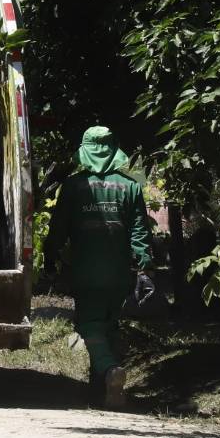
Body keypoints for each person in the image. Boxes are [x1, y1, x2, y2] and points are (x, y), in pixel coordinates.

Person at [43, 126, 152, 409]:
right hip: (118, 274)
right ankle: (100, 390)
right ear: (114, 149)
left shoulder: (74, 186)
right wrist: (144, 267)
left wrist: (49, 256)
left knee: (90, 326)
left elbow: (58, 229)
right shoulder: (130, 186)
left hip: (85, 271)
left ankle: (109, 371)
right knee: (110, 326)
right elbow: (140, 232)